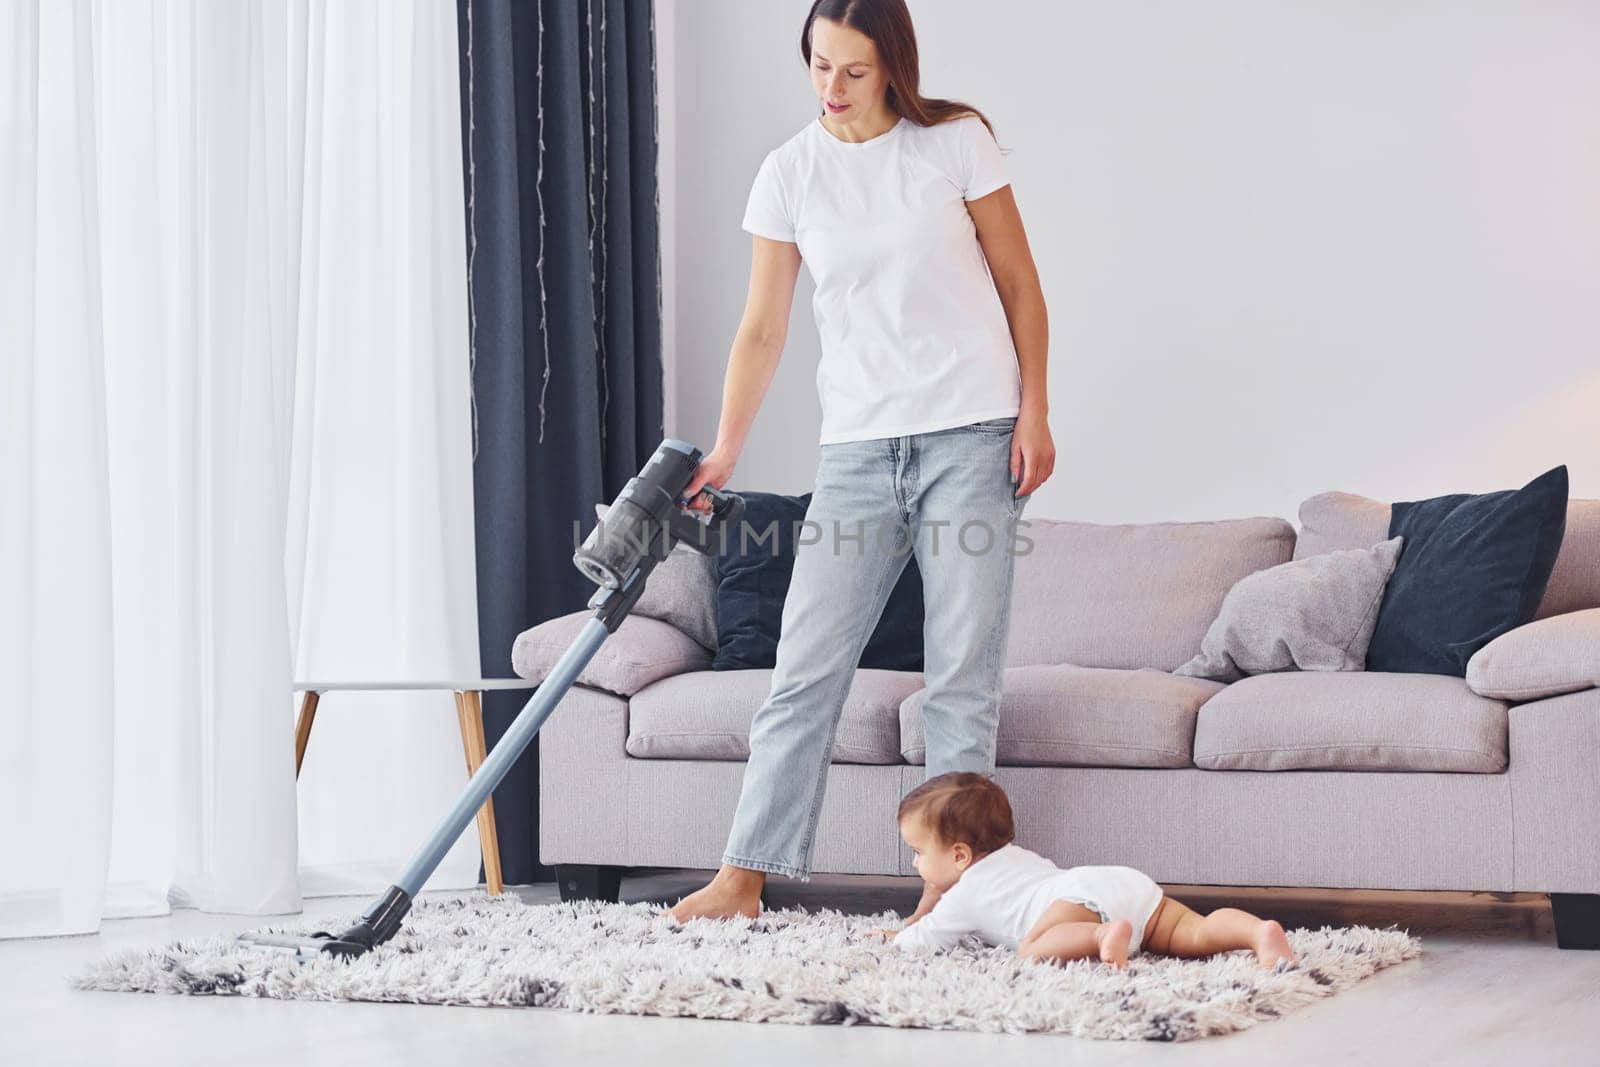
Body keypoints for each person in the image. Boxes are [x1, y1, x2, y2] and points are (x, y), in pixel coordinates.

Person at [668, 0, 1055, 924]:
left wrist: (1035, 410)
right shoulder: (789, 173)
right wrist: (727, 446)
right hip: (855, 448)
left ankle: (951, 892)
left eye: (852, 70)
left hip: (973, 435)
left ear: (892, 66)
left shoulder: (955, 145)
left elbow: (1020, 285)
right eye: (817, 67)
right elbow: (762, 329)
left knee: (961, 673)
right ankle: (744, 876)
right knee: (804, 668)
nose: (831, 90)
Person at [885, 773, 1298, 969]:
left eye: (919, 851)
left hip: (1076, 902)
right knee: (1195, 931)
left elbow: (925, 939)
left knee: (1033, 946)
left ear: (960, 855)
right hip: (1117, 882)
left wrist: (895, 937)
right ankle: (1258, 933)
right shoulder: (1018, 856)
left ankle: (1101, 935)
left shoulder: (965, 894)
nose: (916, 863)